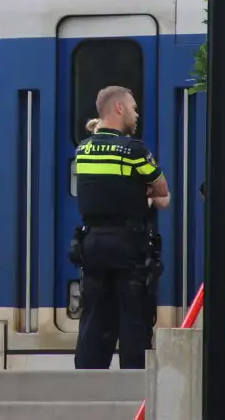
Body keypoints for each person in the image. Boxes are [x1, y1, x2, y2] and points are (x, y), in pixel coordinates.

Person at [72, 85, 170, 370]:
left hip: (92, 243)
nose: (136, 114)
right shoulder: (134, 150)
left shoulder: (84, 149)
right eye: (134, 108)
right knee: (133, 315)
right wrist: (142, 193)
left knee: (94, 316)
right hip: (128, 243)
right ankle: (135, 384)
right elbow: (161, 189)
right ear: (119, 108)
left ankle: (88, 382)